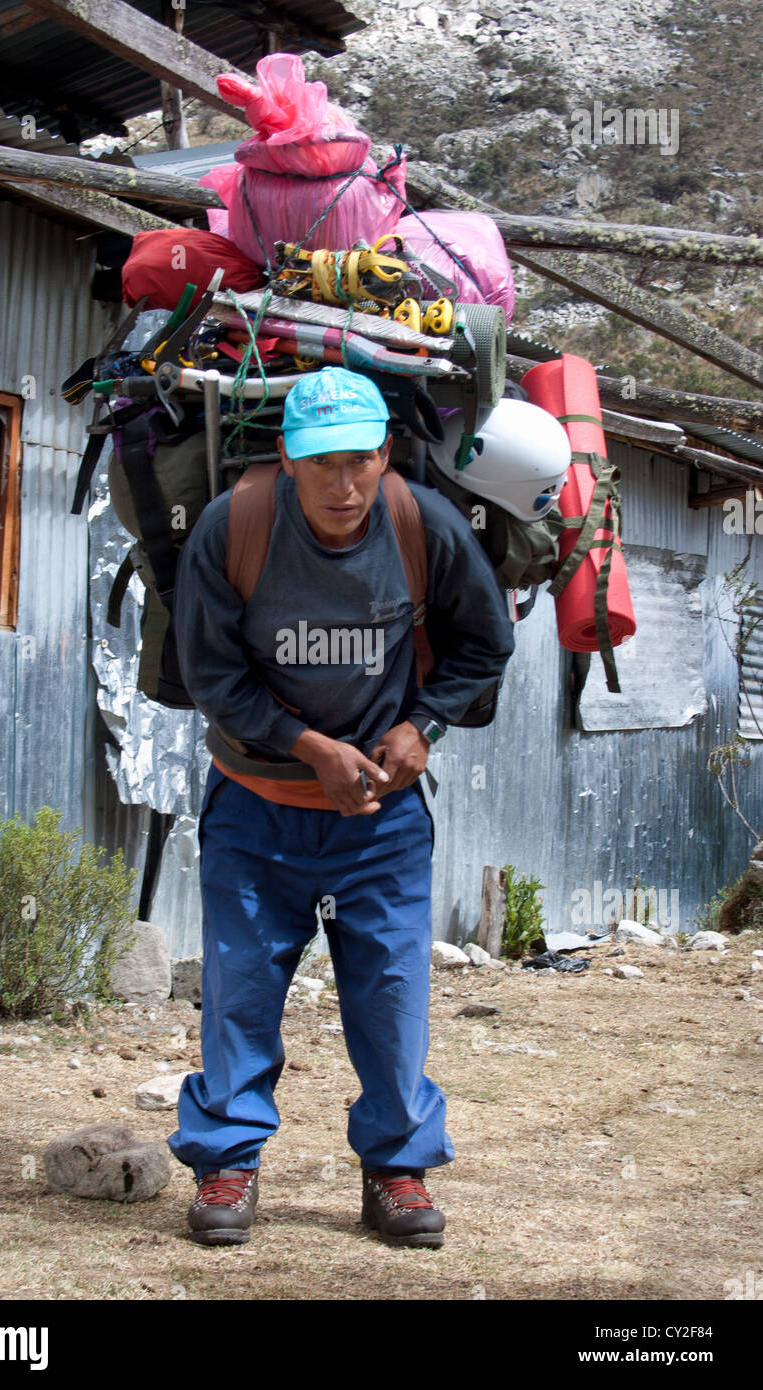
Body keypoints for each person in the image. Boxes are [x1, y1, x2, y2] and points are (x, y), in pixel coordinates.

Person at [168, 366, 515, 1248]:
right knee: (240, 994)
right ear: (286, 456)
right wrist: (308, 748)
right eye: (322, 461)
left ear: (385, 452)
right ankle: (227, 1164)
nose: (343, 484)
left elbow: (487, 642)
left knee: (393, 1003)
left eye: (360, 459)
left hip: (383, 824)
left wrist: (423, 723)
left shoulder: (418, 523)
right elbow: (212, 674)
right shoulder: (235, 525)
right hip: (257, 807)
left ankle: (396, 1172)